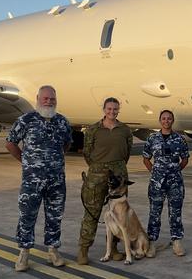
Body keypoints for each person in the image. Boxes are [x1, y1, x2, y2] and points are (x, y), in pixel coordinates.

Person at [6, 85, 72, 272]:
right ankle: (24, 254)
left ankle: (53, 251)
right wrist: (25, 161)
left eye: (52, 99)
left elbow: (67, 144)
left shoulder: (62, 122)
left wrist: (54, 161)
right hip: (32, 181)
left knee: (55, 216)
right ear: (38, 98)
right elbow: (10, 143)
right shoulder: (26, 120)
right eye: (45, 98)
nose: (49, 101)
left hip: (57, 181)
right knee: (27, 216)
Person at [77, 97, 133, 265]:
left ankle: (114, 249)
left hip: (119, 176)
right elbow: (87, 153)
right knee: (92, 213)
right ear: (104, 109)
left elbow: (127, 152)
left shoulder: (125, 130)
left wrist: (117, 166)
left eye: (115, 109)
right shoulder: (93, 130)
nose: (112, 112)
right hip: (96, 175)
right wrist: (97, 167)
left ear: (118, 110)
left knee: (118, 215)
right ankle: (83, 249)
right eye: (109, 109)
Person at [142, 110, 190, 257]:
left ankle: (176, 241)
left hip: (175, 183)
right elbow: (146, 158)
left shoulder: (179, 139)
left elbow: (185, 159)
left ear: (172, 121)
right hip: (157, 183)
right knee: (154, 213)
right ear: (160, 121)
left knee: (175, 212)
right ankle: (151, 242)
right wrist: (155, 171)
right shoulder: (152, 138)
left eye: (169, 118)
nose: (166, 121)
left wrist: (174, 171)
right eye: (163, 118)